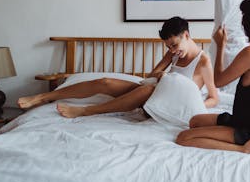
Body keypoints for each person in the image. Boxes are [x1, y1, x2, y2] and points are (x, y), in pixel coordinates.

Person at [18, 16, 219, 118]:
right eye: (168, 47)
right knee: (105, 82)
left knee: (148, 88)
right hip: (154, 91)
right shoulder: (173, 53)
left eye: (174, 45)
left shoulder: (203, 62)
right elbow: (153, 74)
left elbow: (214, 98)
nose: (173, 50)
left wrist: (194, 103)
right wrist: (163, 76)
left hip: (172, 105)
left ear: (186, 35)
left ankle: (87, 111)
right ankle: (44, 97)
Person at [176, 0, 250, 155]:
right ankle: (242, 139)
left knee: (183, 138)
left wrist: (221, 45)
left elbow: (219, 81)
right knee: (195, 121)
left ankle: (245, 148)